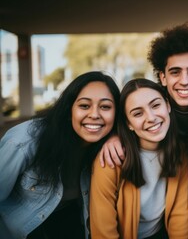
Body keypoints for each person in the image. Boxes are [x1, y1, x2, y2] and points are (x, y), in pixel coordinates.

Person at [0, 71, 120, 239]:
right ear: (69, 108)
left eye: (105, 107)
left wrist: (116, 136)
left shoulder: (111, 145)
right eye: (84, 106)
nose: (94, 114)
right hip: (22, 229)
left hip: (70, 222)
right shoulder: (24, 142)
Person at [100, 22, 188, 167]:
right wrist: (115, 137)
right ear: (163, 77)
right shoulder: (154, 101)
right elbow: (127, 117)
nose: (184, 81)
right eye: (175, 72)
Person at [90, 78, 188, 239]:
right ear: (129, 123)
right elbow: (103, 229)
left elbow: (180, 213)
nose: (150, 118)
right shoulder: (110, 160)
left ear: (168, 105)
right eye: (137, 113)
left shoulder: (180, 152)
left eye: (156, 105)